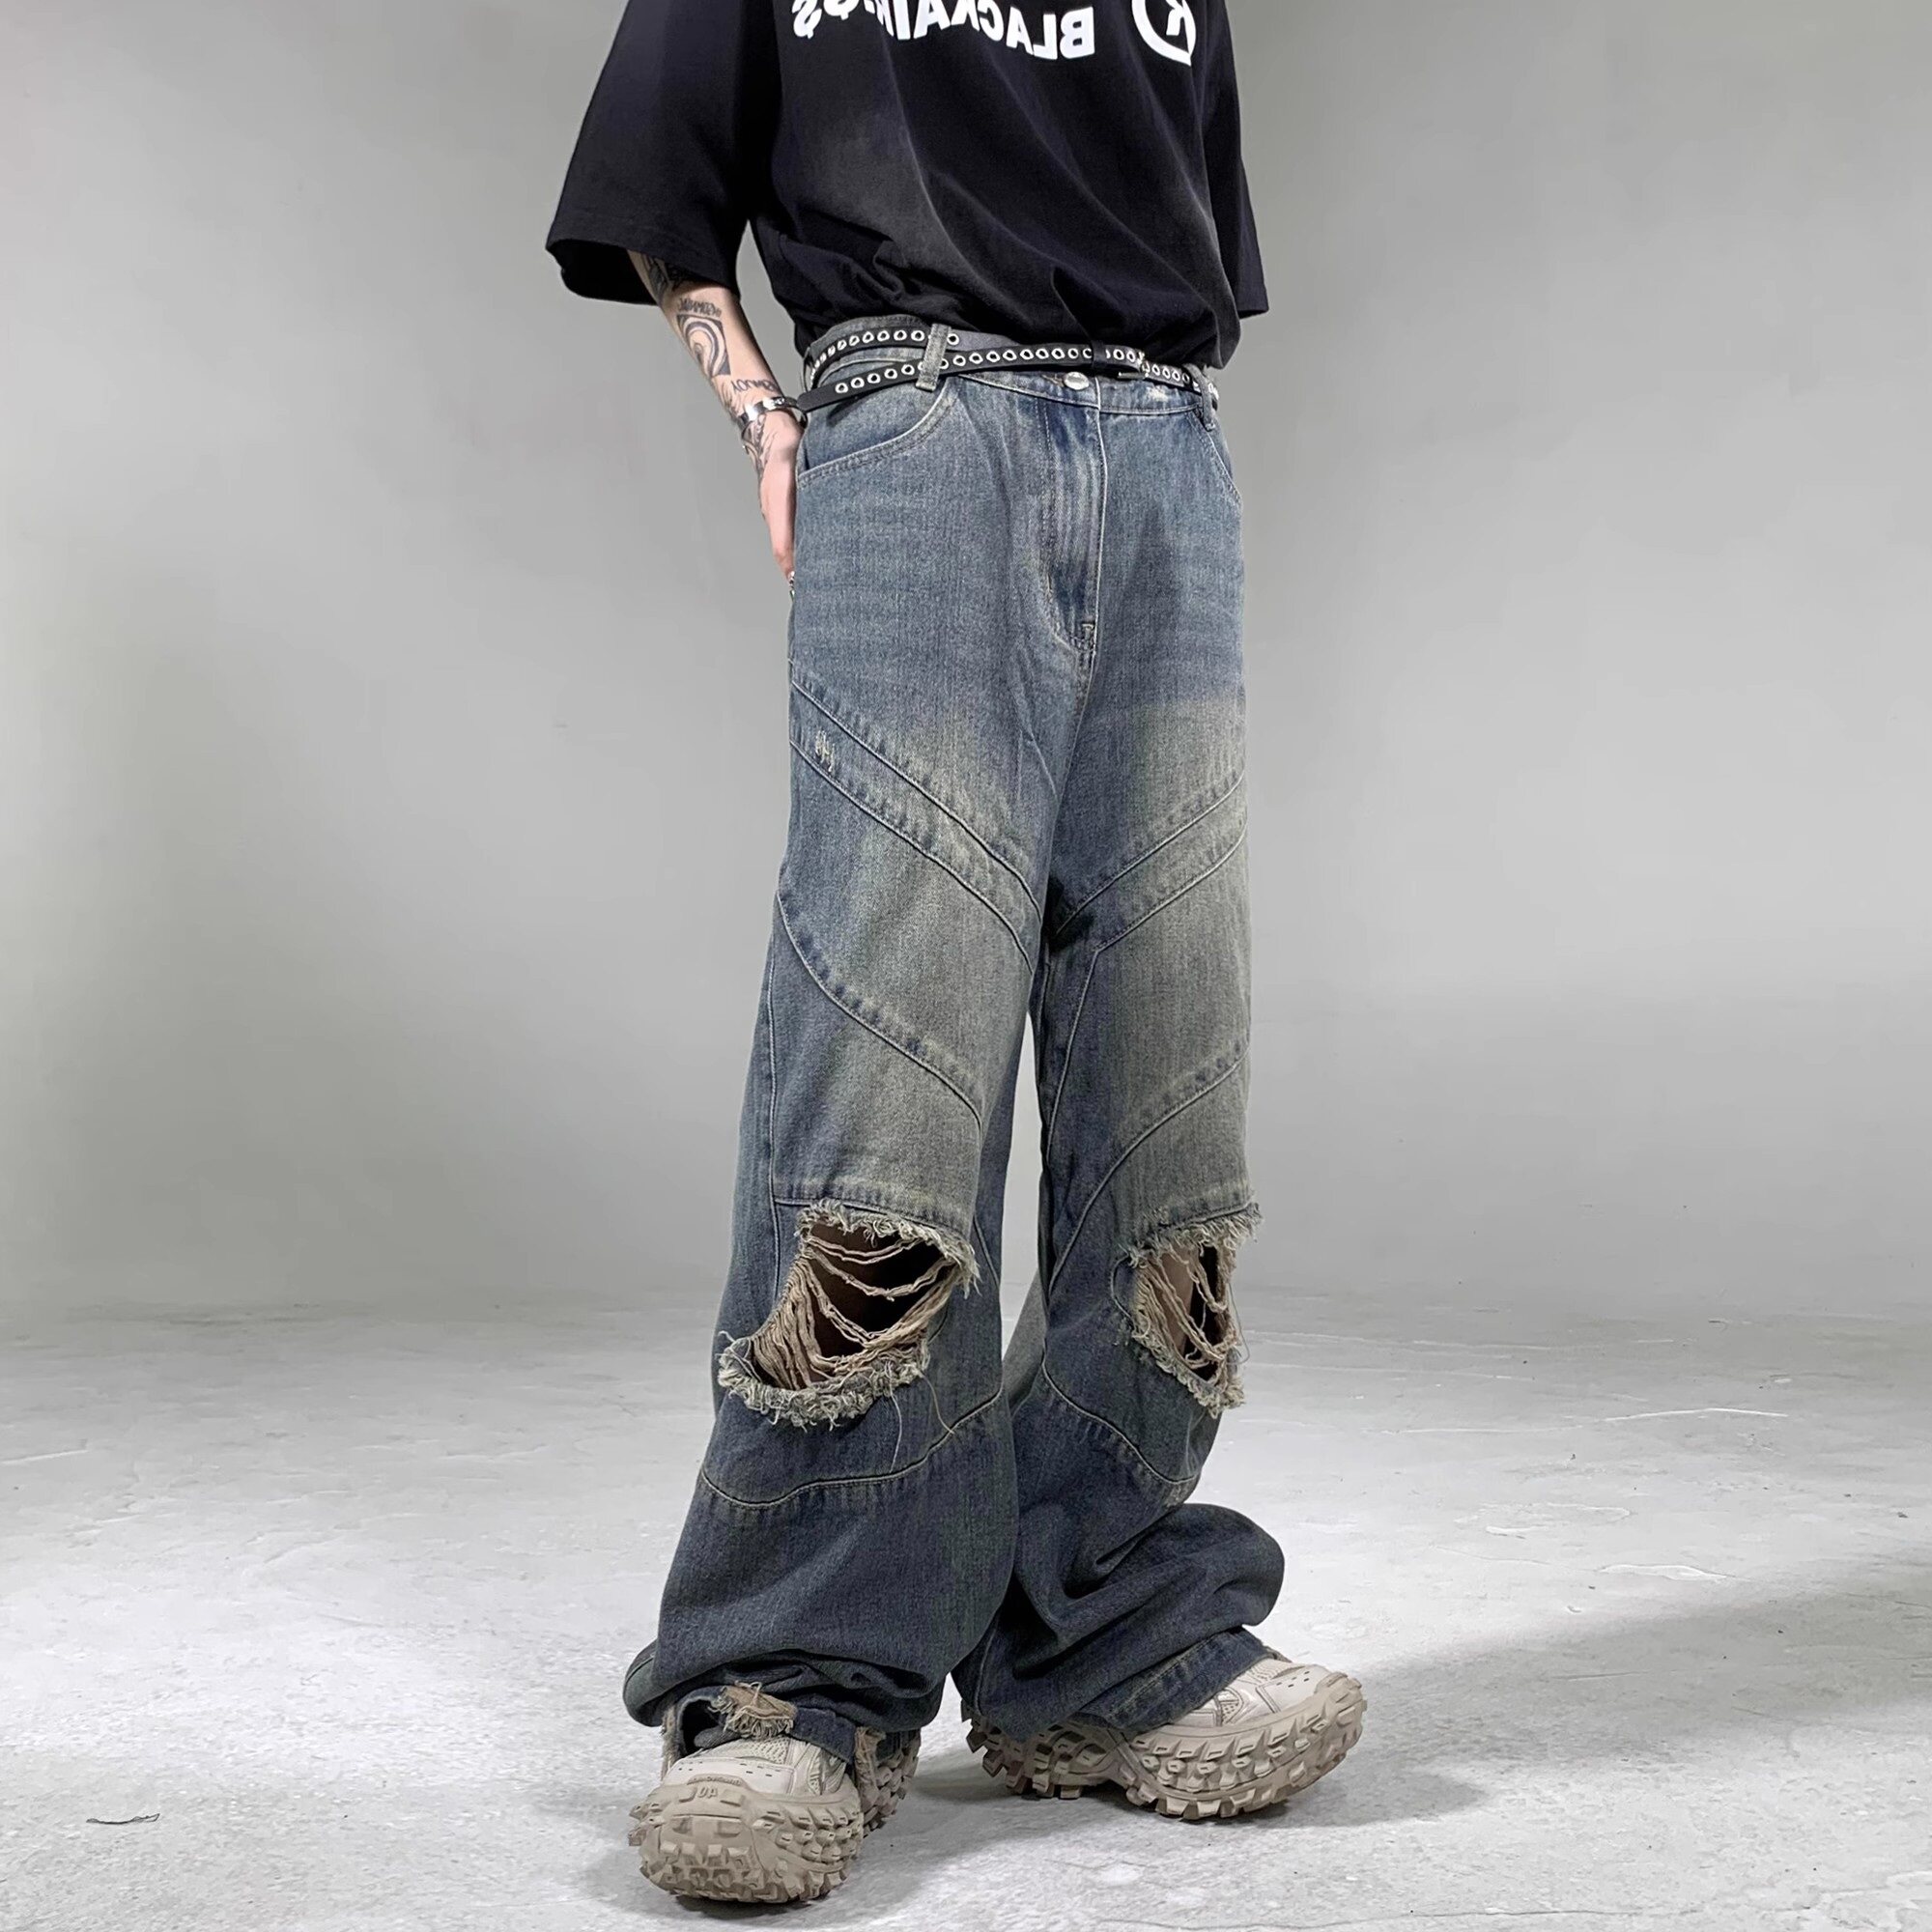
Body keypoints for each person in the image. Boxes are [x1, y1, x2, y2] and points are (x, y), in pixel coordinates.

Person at [545, 0, 1364, 1903]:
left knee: (1166, 1059)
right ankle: (790, 1673)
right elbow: (661, 186)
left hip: (1167, 441)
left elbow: (1184, 227)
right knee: (888, 1057)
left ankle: (1101, 1625)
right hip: (917, 424)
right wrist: (767, 415)